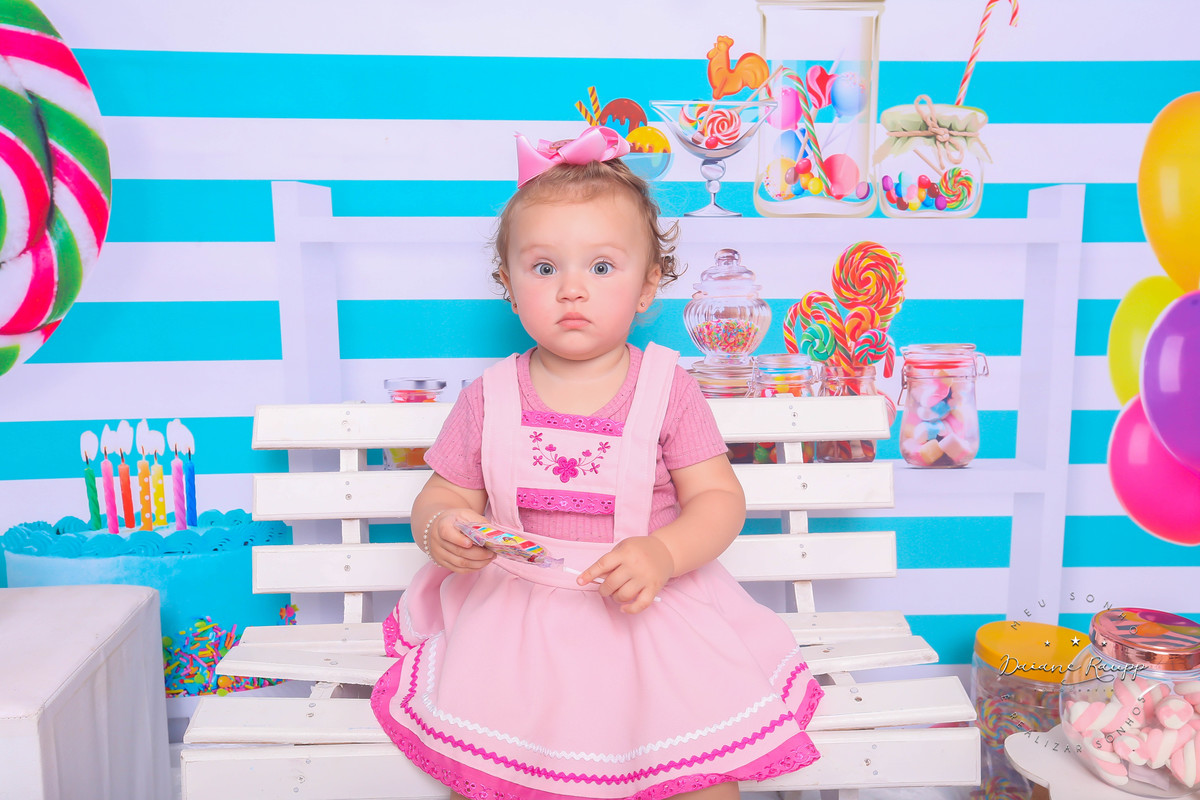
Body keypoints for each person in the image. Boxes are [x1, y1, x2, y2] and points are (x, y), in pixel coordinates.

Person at [371, 126, 822, 800]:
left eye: (602, 268)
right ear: (509, 285)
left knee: (698, 772)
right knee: (497, 769)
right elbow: (444, 496)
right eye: (544, 269)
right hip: (518, 619)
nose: (572, 290)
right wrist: (442, 529)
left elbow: (719, 500)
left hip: (647, 607)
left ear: (648, 286)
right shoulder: (489, 396)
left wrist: (664, 553)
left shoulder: (668, 389)